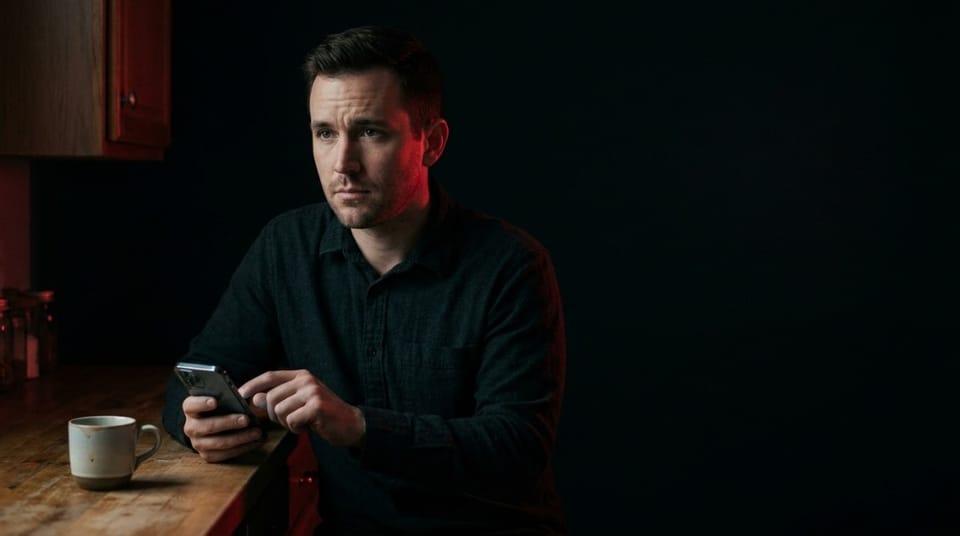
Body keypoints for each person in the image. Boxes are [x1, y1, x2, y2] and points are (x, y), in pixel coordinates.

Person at [162, 24, 567, 535]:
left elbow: (516, 449)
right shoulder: (286, 247)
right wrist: (195, 423)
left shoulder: (511, 265)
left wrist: (358, 426)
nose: (343, 164)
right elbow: (195, 376)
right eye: (325, 133)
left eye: (371, 132)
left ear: (432, 143)